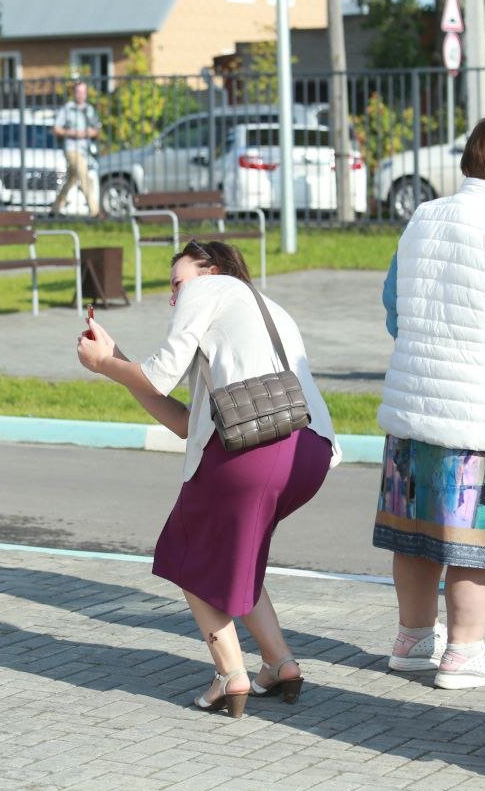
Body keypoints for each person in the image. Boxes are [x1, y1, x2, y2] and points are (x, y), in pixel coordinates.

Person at [76, 240, 341, 718]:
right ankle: (281, 664)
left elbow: (160, 377)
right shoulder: (260, 311)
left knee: (187, 549)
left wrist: (102, 363)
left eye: (178, 283)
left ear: (211, 270)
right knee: (236, 551)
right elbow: (185, 421)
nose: (176, 297)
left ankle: (230, 674)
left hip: (255, 453)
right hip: (309, 451)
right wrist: (116, 362)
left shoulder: (210, 289)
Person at [374, 116, 485, 691]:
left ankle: (413, 640)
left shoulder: (422, 216)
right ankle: (465, 651)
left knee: (416, 527)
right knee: (474, 535)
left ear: (467, 165)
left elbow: (393, 306)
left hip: (412, 398)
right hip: (479, 408)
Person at [51, 81, 101, 218]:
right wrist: (73, 133)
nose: (81, 95)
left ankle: (55, 208)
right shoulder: (67, 108)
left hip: (84, 150)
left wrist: (87, 133)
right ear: (74, 93)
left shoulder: (89, 109)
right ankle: (95, 211)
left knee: (72, 178)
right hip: (71, 148)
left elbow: (95, 130)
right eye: (78, 92)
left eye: (83, 92)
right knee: (83, 174)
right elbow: (56, 129)